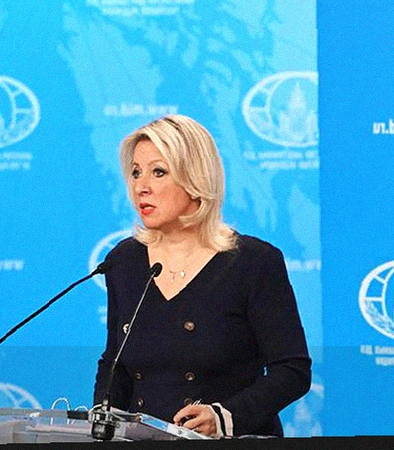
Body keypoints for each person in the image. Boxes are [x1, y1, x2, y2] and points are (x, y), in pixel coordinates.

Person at [93, 114, 312, 437]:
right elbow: (115, 364)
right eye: (136, 172)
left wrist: (224, 417)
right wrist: (101, 422)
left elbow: (292, 370)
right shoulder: (124, 260)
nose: (141, 186)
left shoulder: (253, 262)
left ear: (195, 179)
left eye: (158, 172)